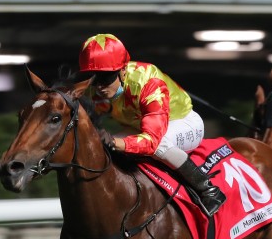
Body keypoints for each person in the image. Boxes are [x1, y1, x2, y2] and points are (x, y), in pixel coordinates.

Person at [79, 33, 225, 216]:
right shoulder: (94, 91)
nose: (99, 85)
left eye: (105, 76)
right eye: (93, 77)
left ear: (122, 70)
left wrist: (116, 142)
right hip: (141, 126)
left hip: (183, 123)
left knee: (158, 146)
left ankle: (209, 190)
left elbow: (151, 141)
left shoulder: (149, 82)